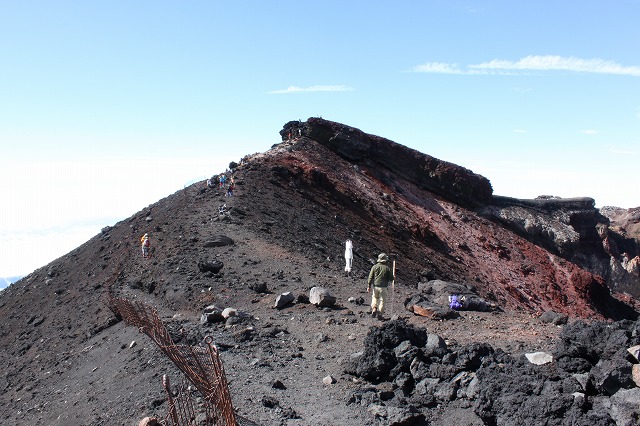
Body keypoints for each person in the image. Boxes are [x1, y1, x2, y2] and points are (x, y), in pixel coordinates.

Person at [367, 253, 394, 319]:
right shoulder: (387, 268)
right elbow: (391, 278)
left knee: (375, 297)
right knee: (382, 300)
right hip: (383, 287)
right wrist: (393, 277)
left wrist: (368, 286)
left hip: (375, 286)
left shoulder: (374, 267)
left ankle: (374, 308)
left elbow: (370, 277)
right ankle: (380, 314)